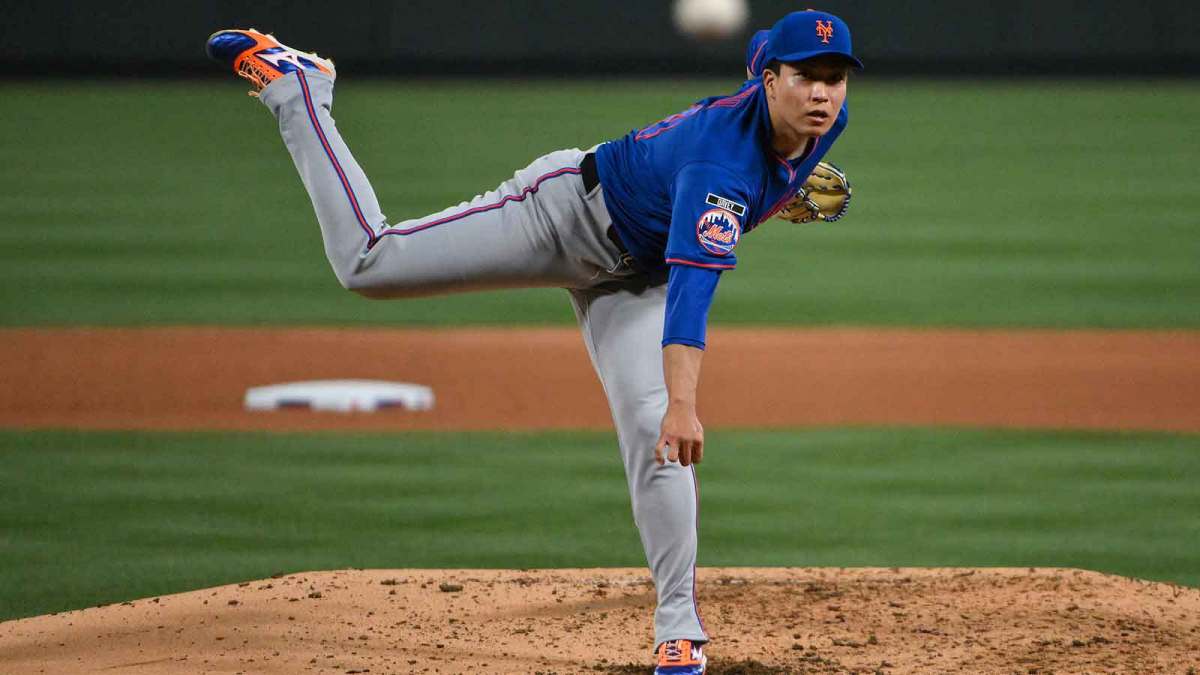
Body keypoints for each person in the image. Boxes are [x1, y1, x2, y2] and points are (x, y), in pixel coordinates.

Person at [205, 10, 861, 674]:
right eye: (805, 76)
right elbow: (693, 299)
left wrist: (773, 190)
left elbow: (757, 55)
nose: (822, 93)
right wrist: (685, 401)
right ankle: (301, 91)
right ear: (774, 80)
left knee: (649, 428)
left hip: (637, 277)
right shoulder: (719, 166)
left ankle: (679, 630)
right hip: (563, 216)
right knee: (368, 263)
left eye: (834, 78)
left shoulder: (822, 118)